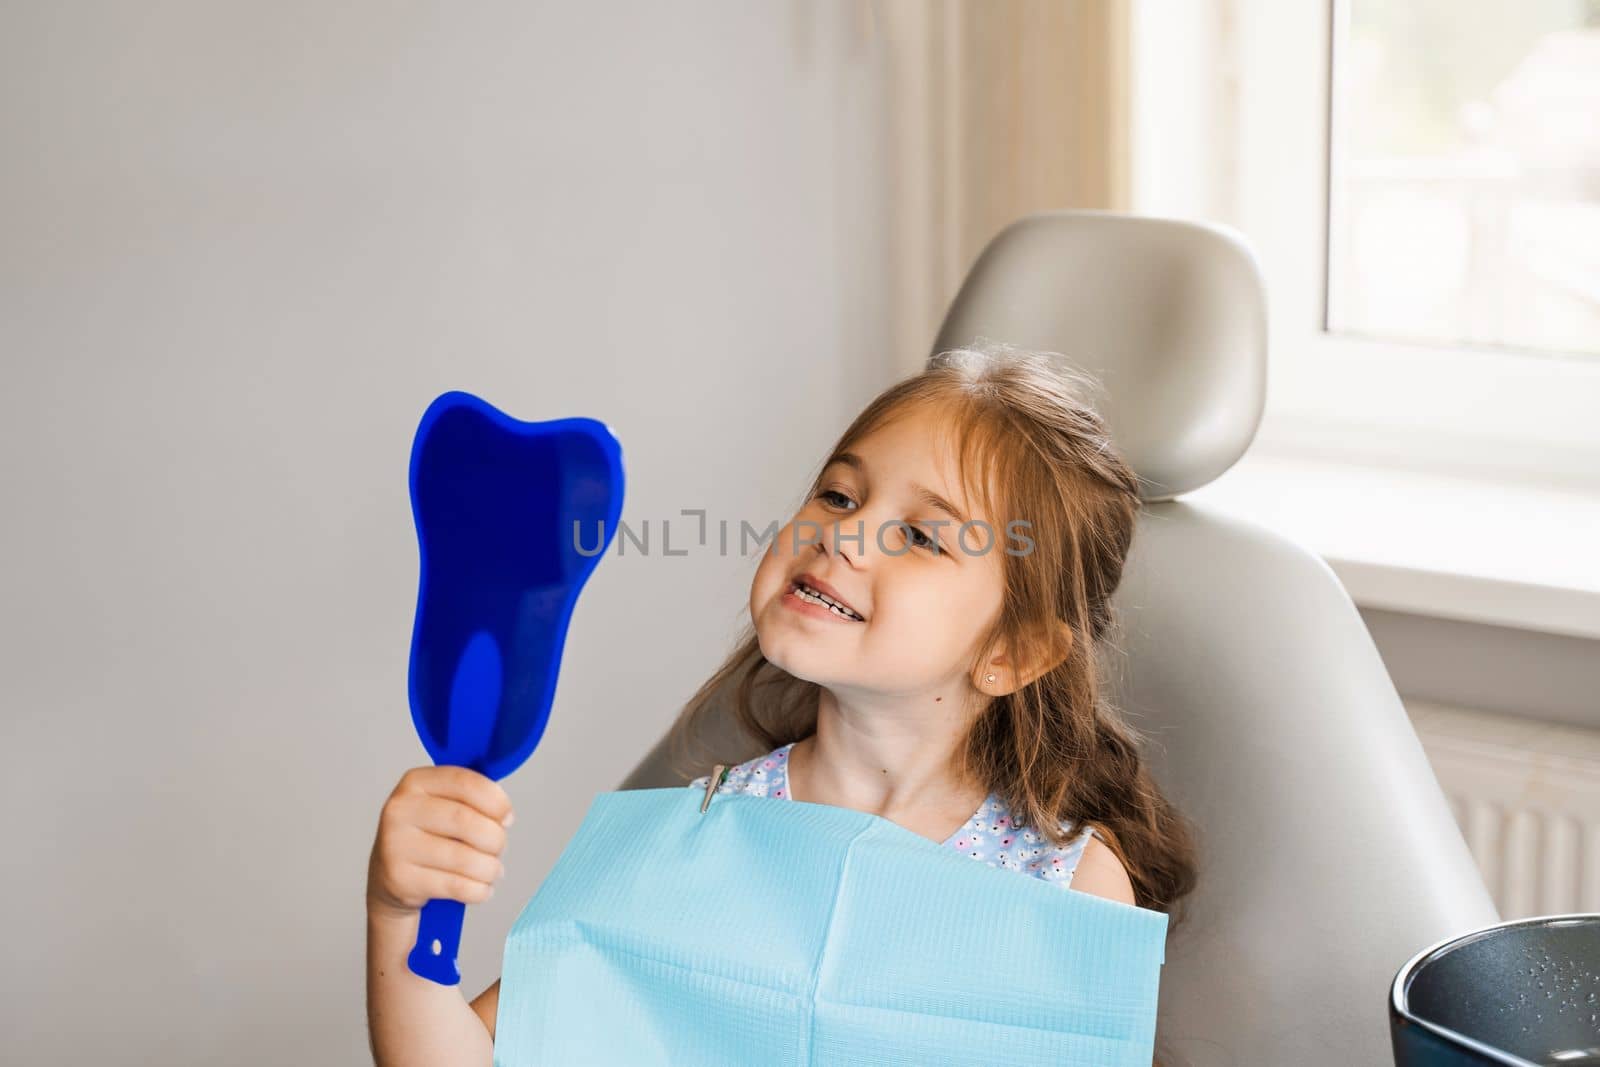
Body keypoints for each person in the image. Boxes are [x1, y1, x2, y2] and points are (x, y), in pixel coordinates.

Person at [365, 340, 1199, 1066]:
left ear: (1011, 652)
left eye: (920, 535)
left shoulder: (1064, 889)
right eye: (839, 495)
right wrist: (398, 914)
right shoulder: (696, 842)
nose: (844, 532)